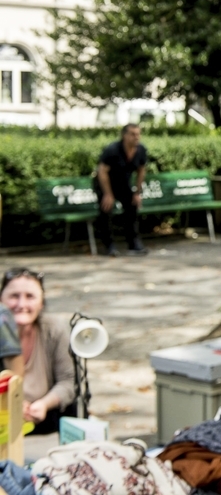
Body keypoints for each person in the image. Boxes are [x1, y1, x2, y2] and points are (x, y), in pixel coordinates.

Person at [0, 269, 76, 435]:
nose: (21, 305)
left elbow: (68, 381)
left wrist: (43, 404)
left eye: (30, 296)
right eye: (14, 296)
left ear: (41, 303)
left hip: (47, 423)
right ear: (1, 300)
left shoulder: (54, 330)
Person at [94, 123, 148, 256]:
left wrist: (137, 193)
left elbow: (141, 171)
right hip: (104, 184)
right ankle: (109, 245)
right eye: (132, 134)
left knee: (132, 206)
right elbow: (102, 171)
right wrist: (107, 194)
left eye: (138, 134)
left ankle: (133, 243)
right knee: (106, 209)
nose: (136, 137)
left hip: (123, 183)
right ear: (124, 136)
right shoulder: (112, 150)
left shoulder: (141, 150)